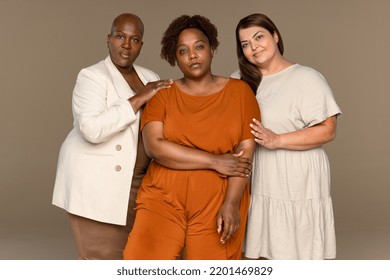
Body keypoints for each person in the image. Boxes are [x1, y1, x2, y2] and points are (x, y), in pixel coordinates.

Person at [123, 14, 260, 260]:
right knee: (140, 264)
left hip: (217, 197)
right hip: (162, 196)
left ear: (212, 49)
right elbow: (155, 147)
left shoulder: (240, 92)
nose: (193, 55)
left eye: (199, 47)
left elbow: (245, 153)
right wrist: (214, 160)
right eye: (183, 51)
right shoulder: (162, 94)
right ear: (174, 58)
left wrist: (231, 203)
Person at [52, 13, 173, 260]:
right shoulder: (92, 76)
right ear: (109, 39)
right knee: (104, 259)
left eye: (134, 39)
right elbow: (91, 129)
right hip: (99, 183)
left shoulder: (150, 77)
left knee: (134, 258)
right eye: (120, 36)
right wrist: (139, 98)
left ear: (141, 44)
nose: (126, 45)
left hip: (139, 184)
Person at [232, 13, 342, 260]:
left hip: (297, 176)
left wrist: (277, 140)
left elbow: (328, 130)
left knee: (298, 253)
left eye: (258, 37)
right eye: (245, 44)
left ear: (275, 36)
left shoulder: (306, 78)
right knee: (258, 252)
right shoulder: (238, 81)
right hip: (260, 176)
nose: (253, 47)